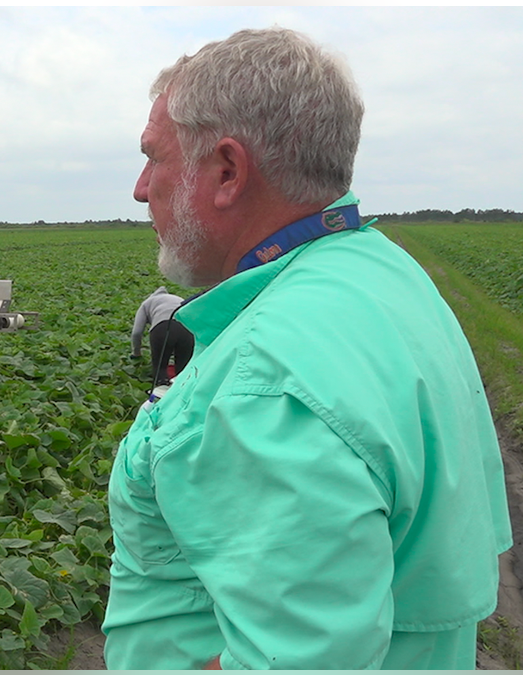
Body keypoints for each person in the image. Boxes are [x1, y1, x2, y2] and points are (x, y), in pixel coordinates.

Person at [103, 27, 511, 670]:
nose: (139, 186)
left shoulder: (268, 385)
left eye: (155, 157)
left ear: (228, 171)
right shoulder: (380, 273)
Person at [129, 286, 192, 386]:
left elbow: (137, 332)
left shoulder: (147, 303)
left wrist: (136, 353)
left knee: (160, 368)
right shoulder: (177, 298)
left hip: (162, 328)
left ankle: (160, 391)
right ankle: (183, 396)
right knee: (183, 370)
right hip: (187, 327)